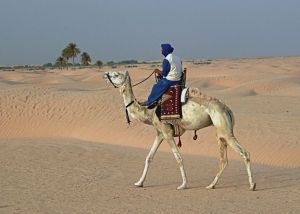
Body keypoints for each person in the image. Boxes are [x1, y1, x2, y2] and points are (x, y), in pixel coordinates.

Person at [140, 43, 182, 107]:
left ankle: (150, 102)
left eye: (162, 49)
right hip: (178, 79)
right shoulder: (177, 58)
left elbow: (164, 73)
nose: (161, 51)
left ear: (165, 50)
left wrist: (158, 71)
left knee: (156, 87)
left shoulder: (167, 59)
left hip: (171, 80)